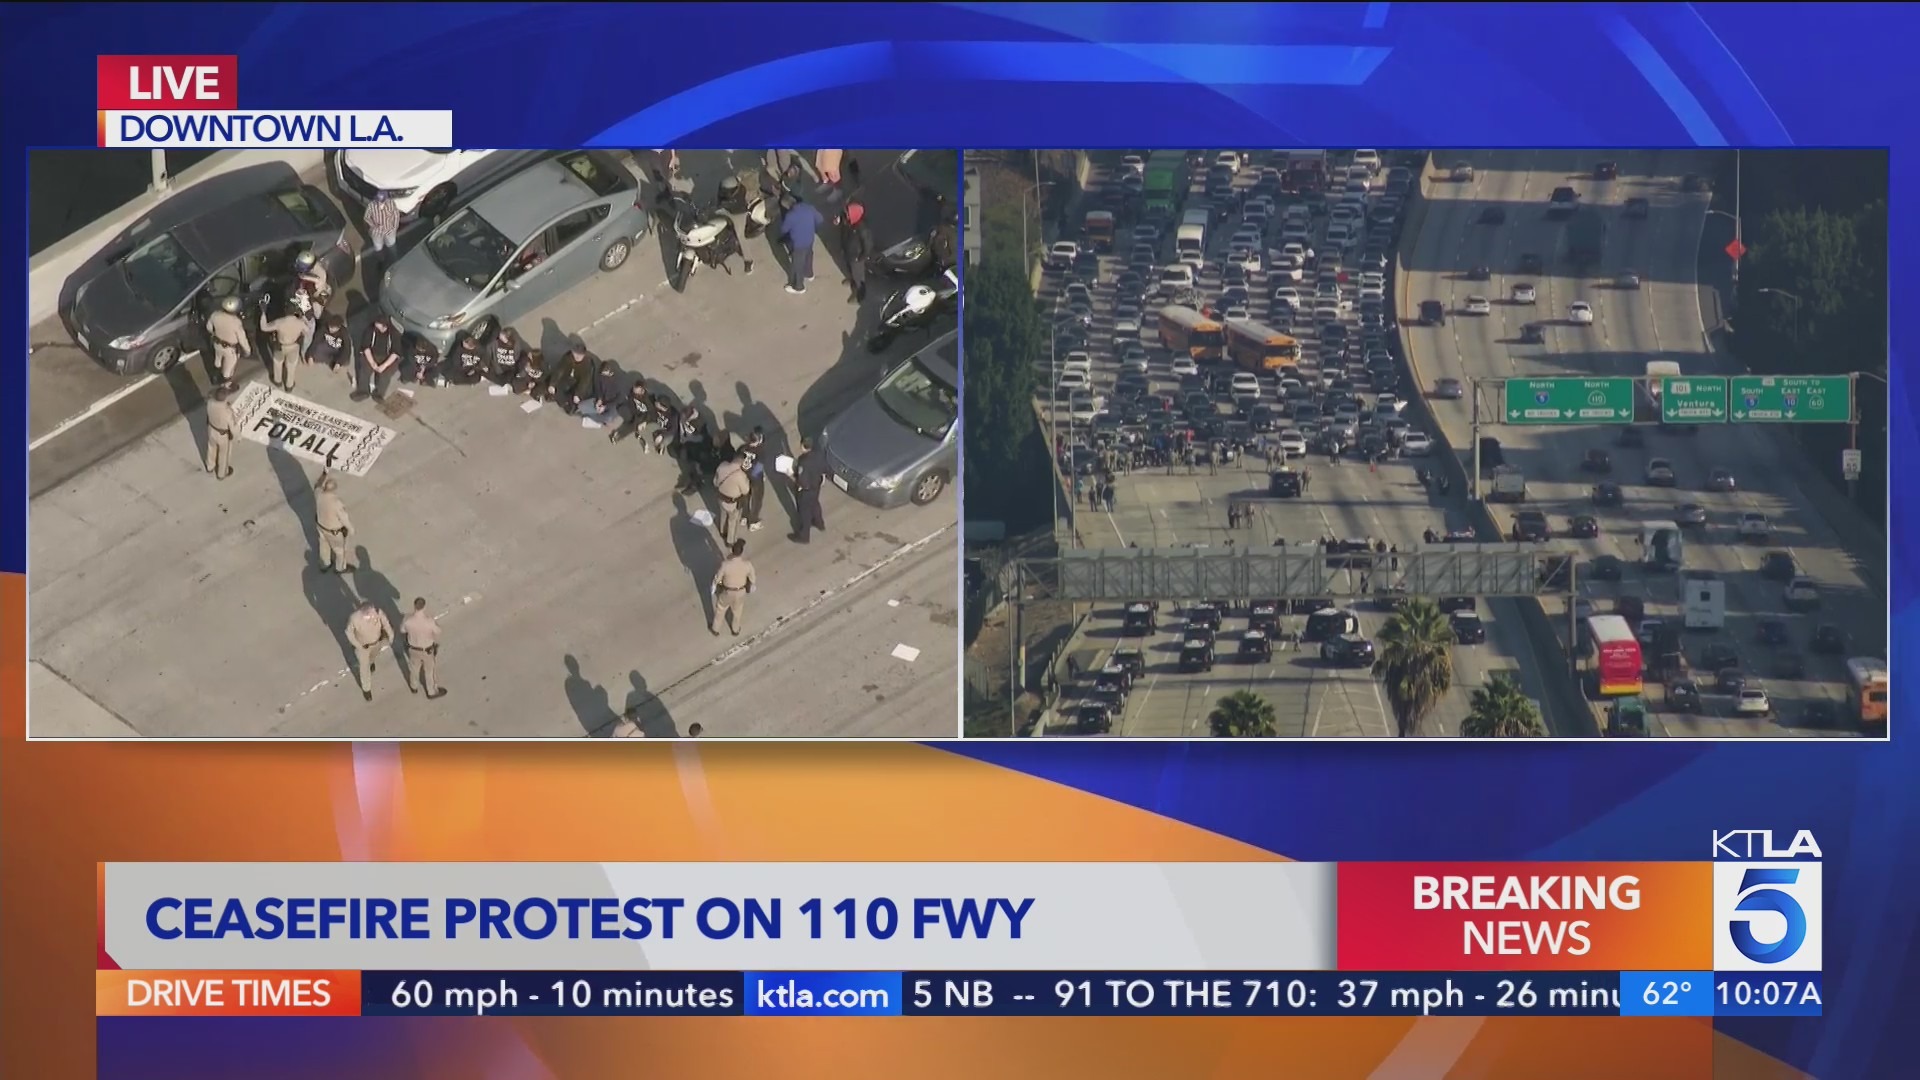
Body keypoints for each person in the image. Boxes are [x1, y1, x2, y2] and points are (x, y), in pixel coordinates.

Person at [344, 600, 394, 703]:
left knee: (373, 657)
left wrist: (391, 635)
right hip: (363, 647)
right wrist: (358, 646)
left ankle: (371, 663)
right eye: (370, 612)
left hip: (376, 643)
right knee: (364, 667)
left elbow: (386, 623)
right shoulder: (354, 618)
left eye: (372, 611)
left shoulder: (377, 612)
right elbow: (349, 633)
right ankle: (366, 689)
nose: (372, 614)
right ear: (363, 612)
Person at [400, 597, 447, 699]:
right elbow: (438, 631)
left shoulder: (407, 620)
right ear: (424, 607)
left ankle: (414, 686)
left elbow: (402, 630)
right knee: (429, 671)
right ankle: (431, 691)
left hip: (413, 649)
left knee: (414, 669)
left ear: (414, 606)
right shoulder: (429, 621)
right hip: (426, 650)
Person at [709, 538, 757, 636]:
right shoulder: (747, 564)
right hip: (740, 591)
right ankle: (735, 629)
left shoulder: (726, 564)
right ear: (741, 552)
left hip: (728, 591)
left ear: (732, 551)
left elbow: (718, 578)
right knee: (738, 611)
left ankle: (715, 628)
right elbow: (752, 578)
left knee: (721, 608)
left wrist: (714, 586)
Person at [313, 471, 357, 572]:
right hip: (333, 532)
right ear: (334, 489)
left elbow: (317, 485)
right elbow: (344, 518)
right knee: (339, 550)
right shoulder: (337, 503)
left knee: (323, 545)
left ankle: (325, 564)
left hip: (320, 526)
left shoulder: (318, 494)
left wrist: (324, 474)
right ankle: (340, 568)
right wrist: (351, 530)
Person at [777, 196, 822, 295]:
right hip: (810, 238)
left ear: (787, 206)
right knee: (809, 255)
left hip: (798, 243)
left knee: (797, 264)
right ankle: (809, 274)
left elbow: (784, 229)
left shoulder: (790, 215)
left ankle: (799, 287)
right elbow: (819, 219)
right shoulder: (809, 207)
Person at [204, 295, 251, 388]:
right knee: (228, 369)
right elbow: (242, 339)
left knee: (217, 360)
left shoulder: (215, 315)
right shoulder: (236, 322)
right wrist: (247, 351)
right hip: (230, 349)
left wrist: (214, 334)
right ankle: (226, 386)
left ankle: (215, 376)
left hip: (217, 343)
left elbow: (208, 327)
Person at [355, 313, 403, 402]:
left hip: (388, 357)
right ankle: (363, 391)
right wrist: (373, 364)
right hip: (372, 354)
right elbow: (366, 347)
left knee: (385, 375)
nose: (376, 325)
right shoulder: (370, 330)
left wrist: (383, 366)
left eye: (378, 324)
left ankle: (379, 394)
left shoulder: (394, 334)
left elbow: (395, 353)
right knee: (364, 371)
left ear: (385, 326)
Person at [790, 437, 827, 543]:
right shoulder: (819, 455)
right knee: (815, 503)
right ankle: (819, 523)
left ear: (802, 446)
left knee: (804, 511)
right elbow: (824, 467)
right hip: (816, 484)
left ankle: (804, 536)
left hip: (806, 489)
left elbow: (803, 478)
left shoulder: (803, 461)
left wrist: (799, 482)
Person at [261, 307, 306, 391]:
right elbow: (307, 332)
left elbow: (264, 327)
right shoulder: (300, 323)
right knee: (291, 366)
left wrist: (263, 313)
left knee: (278, 363)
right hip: (293, 345)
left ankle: (278, 381)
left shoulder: (279, 322)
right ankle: (289, 385)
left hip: (280, 346)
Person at [714, 448, 752, 544]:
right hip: (732, 503)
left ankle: (722, 531)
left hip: (720, 497)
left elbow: (715, 482)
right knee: (732, 521)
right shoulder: (740, 475)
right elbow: (745, 491)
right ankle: (730, 541)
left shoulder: (722, 466)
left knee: (723, 514)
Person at [838, 201, 871, 304]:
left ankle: (859, 297)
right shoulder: (849, 222)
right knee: (850, 269)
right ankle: (852, 280)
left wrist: (861, 258)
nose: (846, 215)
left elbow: (868, 246)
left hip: (856, 257)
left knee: (859, 277)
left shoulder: (862, 229)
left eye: (848, 213)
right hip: (849, 253)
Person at [674, 406, 713, 494]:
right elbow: (682, 431)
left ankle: (695, 482)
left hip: (699, 444)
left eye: (685, 418)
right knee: (683, 456)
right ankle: (689, 476)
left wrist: (687, 441)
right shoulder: (682, 416)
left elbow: (702, 438)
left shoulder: (699, 422)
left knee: (697, 461)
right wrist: (683, 442)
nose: (682, 419)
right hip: (688, 442)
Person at [737, 427, 769, 531]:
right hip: (755, 479)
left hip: (743, 476)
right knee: (757, 500)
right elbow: (758, 469)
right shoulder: (760, 451)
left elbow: (737, 459)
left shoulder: (742, 448)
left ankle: (744, 516)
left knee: (745, 496)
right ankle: (753, 521)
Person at [551, 342, 596, 414]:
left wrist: (578, 394)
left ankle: (572, 405)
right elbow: (559, 370)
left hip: (579, 383)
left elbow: (585, 382)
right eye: (575, 353)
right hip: (568, 378)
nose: (576, 356)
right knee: (557, 390)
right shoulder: (568, 357)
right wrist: (552, 384)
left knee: (573, 401)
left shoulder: (588, 364)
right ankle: (563, 401)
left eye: (579, 355)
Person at [308, 312, 351, 384]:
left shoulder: (344, 332)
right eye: (330, 327)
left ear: (338, 327)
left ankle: (333, 362)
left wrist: (339, 363)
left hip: (337, 350)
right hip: (327, 348)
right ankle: (330, 361)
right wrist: (310, 356)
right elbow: (315, 341)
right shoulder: (323, 328)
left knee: (346, 361)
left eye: (333, 328)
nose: (330, 329)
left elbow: (347, 349)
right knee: (317, 351)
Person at [203, 385, 236, 480]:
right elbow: (232, 425)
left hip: (211, 428)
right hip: (223, 434)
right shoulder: (226, 411)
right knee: (223, 455)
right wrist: (237, 436)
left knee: (211, 447)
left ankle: (210, 466)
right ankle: (222, 473)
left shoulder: (210, 403)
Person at [364, 190, 401, 271]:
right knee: (378, 249)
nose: (380, 203)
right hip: (377, 233)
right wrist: (373, 225)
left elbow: (396, 216)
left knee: (392, 247)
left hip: (389, 232)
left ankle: (395, 263)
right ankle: (381, 262)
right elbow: (366, 217)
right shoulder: (371, 205)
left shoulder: (391, 204)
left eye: (382, 201)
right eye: (379, 201)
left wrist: (394, 228)